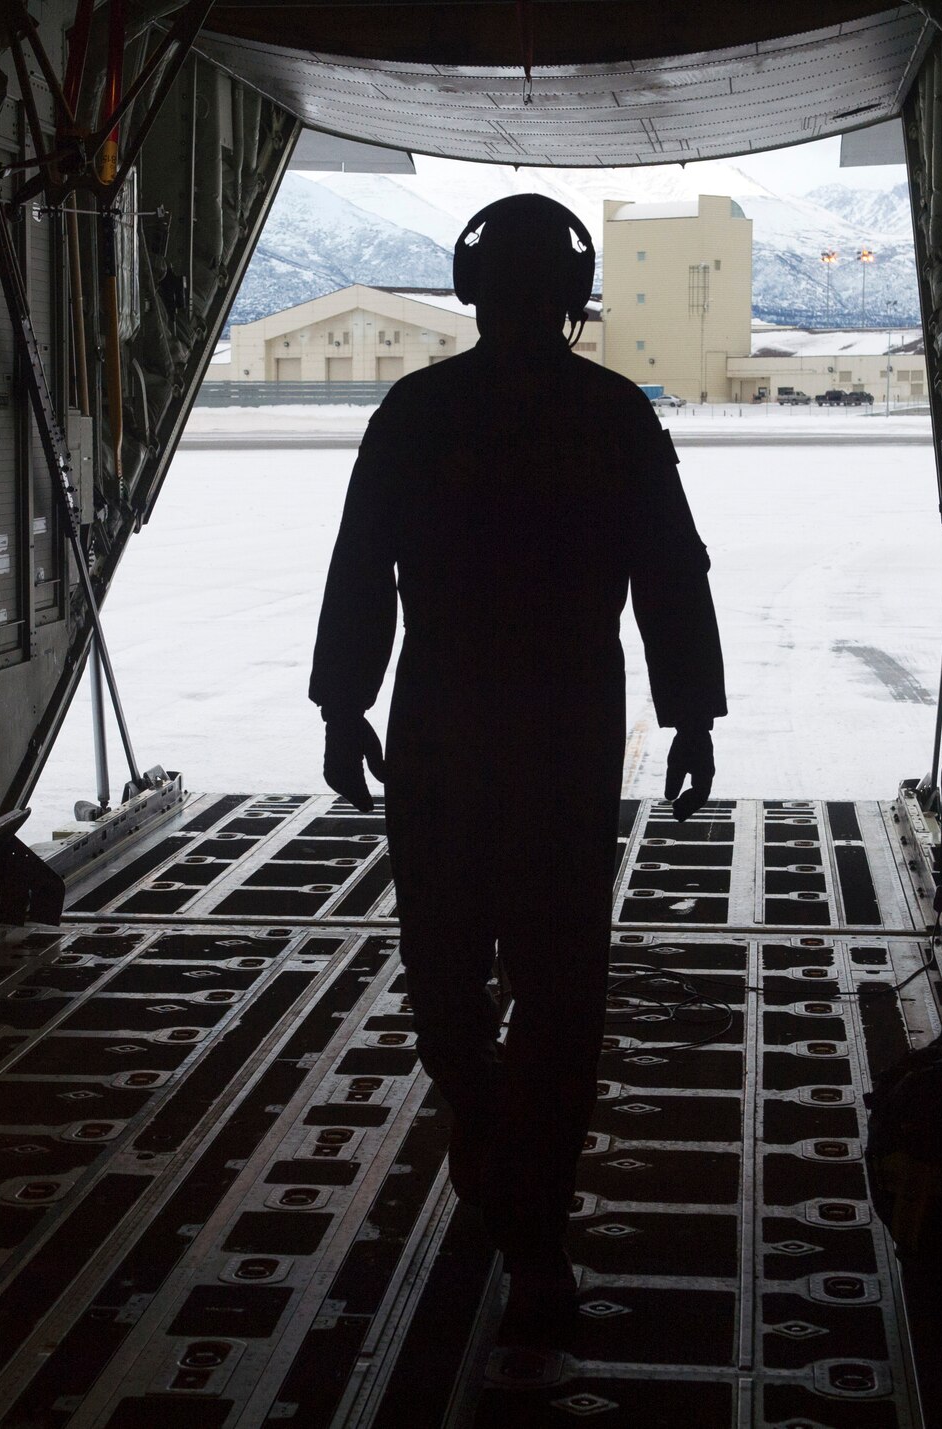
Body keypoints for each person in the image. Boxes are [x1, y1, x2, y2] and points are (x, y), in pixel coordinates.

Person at [308, 194, 725, 1344]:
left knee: (445, 977)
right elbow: (669, 577)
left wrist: (344, 704)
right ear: (570, 297)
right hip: (566, 735)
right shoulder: (612, 417)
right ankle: (529, 1216)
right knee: (557, 986)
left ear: (472, 290)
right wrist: (688, 715)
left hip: (444, 727)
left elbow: (362, 569)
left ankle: (502, 1174)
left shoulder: (416, 411)